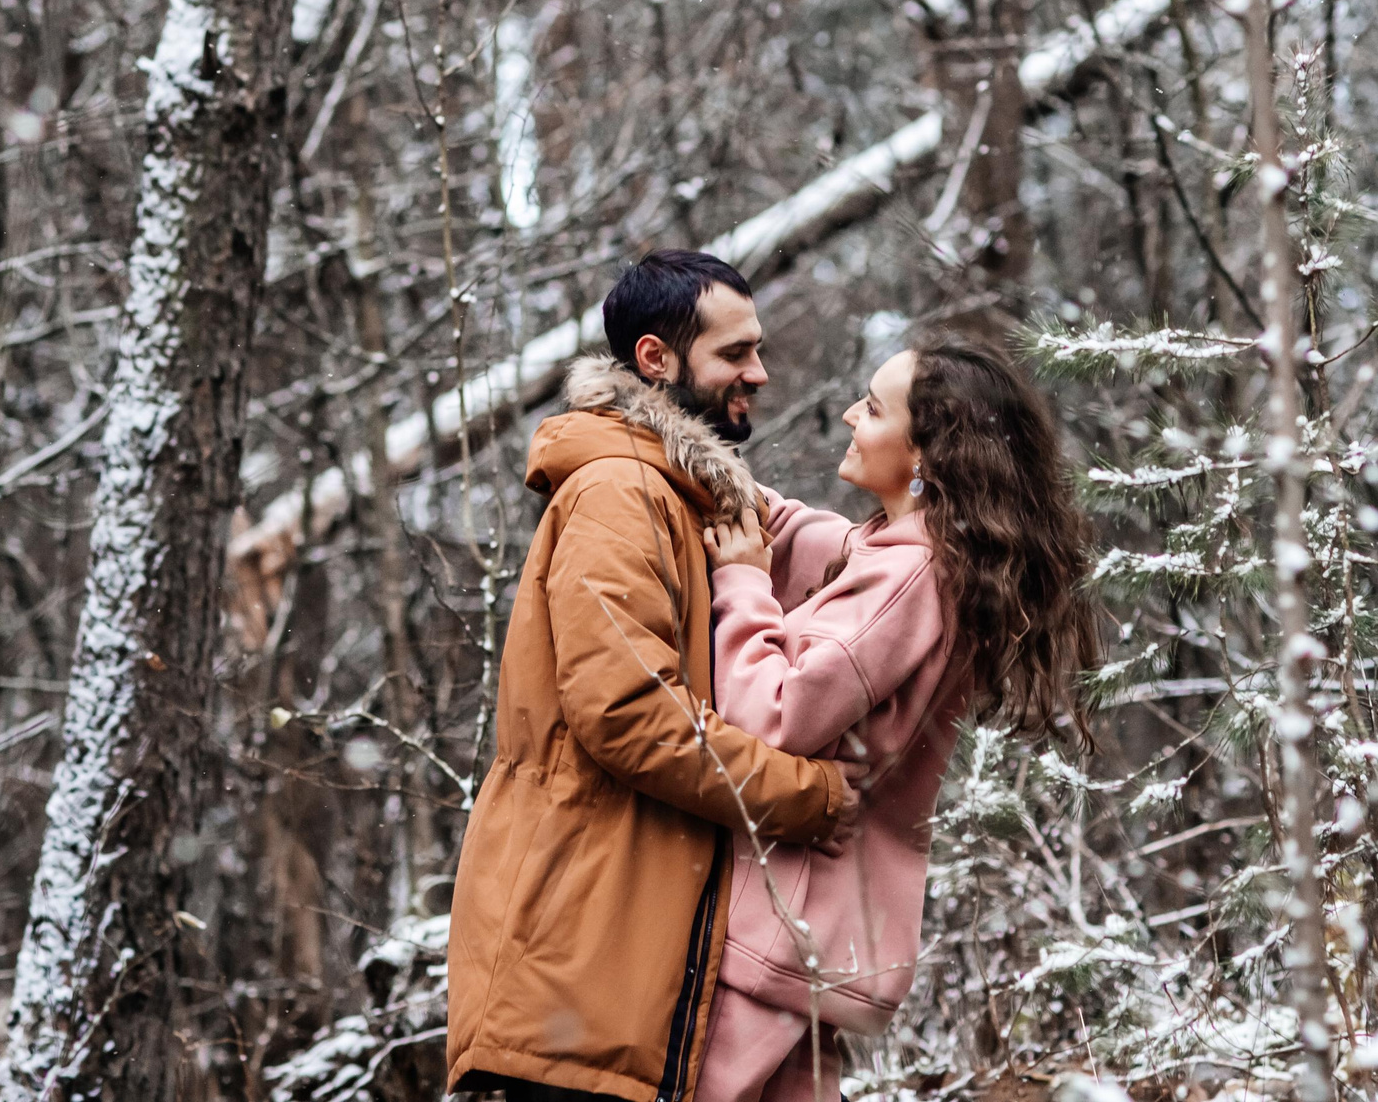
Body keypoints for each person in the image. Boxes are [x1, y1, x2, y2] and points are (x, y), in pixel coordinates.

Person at [446, 251, 868, 1102]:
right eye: (736, 352)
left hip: (614, 965)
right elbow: (630, 714)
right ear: (655, 360)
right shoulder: (618, 492)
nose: (760, 371)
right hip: (576, 963)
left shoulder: (675, 495)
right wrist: (808, 795)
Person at [691, 338, 1099, 1102]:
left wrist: (742, 582)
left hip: (779, 929)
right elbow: (839, 552)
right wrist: (727, 487)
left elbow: (773, 716)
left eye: (873, 408)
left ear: (927, 456)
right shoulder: (927, 555)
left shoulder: (908, 576)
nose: (850, 414)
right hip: (810, 931)